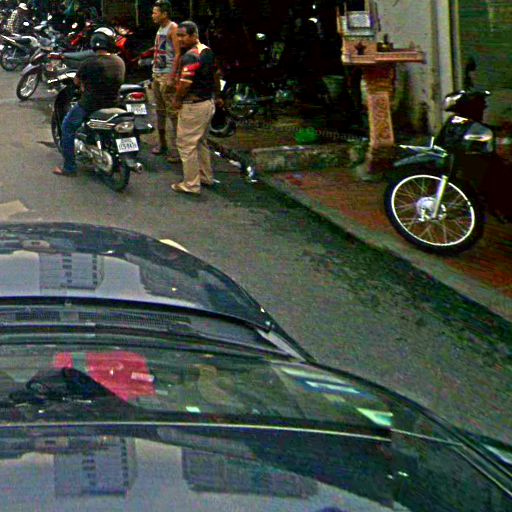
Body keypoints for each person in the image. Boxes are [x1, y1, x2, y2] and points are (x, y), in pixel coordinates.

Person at [53, 28, 126, 176]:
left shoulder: (89, 63)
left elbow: (77, 81)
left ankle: (69, 167)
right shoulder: (119, 61)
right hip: (113, 103)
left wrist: (82, 84)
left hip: (90, 104)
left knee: (67, 127)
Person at [171, 21, 222, 195]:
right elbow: (216, 75)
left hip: (193, 106)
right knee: (200, 142)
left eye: (183, 36)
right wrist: (218, 96)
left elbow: (185, 84)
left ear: (194, 35)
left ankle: (191, 184)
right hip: (207, 103)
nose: (180, 39)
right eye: (178, 36)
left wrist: (177, 100)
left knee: (186, 145)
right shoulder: (206, 51)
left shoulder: (191, 57)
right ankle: (205, 176)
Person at [151, 0, 180, 162]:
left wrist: (172, 76)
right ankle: (162, 144)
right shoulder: (160, 29)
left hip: (166, 75)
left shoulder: (173, 28)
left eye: (155, 12)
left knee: (173, 114)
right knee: (160, 112)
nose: (153, 15)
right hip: (157, 74)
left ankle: (176, 150)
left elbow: (178, 53)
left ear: (164, 14)